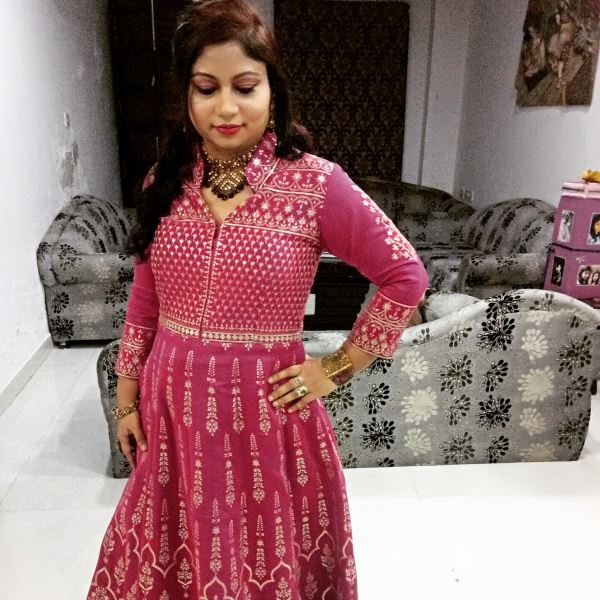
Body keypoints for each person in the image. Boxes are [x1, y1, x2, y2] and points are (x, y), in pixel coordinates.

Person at [86, 1, 428, 598]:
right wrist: (125, 400)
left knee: (260, 556)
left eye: (245, 87)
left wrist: (336, 367)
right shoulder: (163, 183)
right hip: (173, 412)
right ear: (185, 96)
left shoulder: (315, 184)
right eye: (206, 88)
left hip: (266, 416)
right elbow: (144, 302)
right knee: (167, 553)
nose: (226, 108)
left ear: (273, 90)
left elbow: (406, 276)